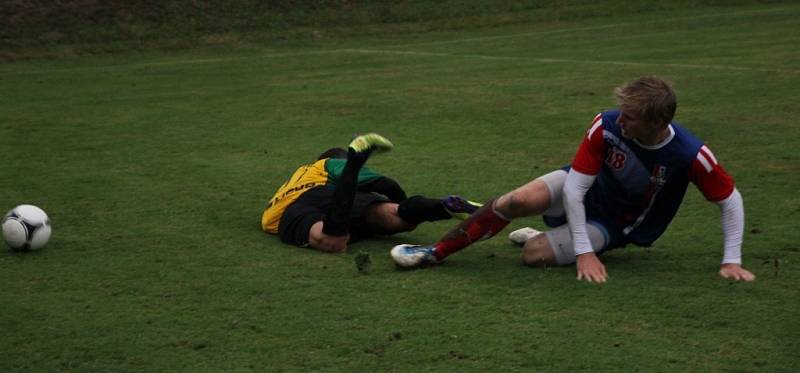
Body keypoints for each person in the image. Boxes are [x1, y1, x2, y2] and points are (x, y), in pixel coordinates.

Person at [391, 76, 756, 283]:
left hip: (614, 222)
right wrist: (582, 254)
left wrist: (731, 260)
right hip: (584, 188)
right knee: (514, 201)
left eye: (630, 117)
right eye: (622, 113)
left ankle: (548, 239)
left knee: (534, 256)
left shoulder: (690, 155)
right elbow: (576, 188)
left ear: (657, 124)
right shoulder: (607, 124)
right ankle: (435, 253)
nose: (621, 120)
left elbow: (730, 199)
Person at [262, 133, 481, 253]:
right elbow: (386, 184)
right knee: (397, 217)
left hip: (287, 212)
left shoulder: (295, 179)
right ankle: (442, 205)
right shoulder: (327, 164)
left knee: (336, 238)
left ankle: (446, 206)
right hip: (308, 203)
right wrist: (404, 209)